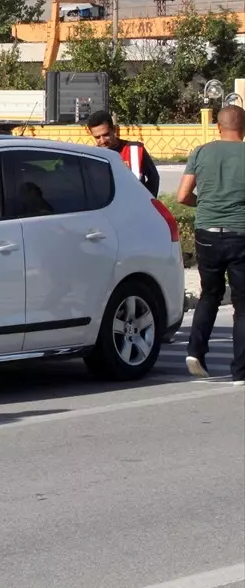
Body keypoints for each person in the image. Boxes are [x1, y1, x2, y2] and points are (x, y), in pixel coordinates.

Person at [176, 104, 245, 386]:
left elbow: (182, 196)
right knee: (243, 305)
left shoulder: (202, 152)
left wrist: (203, 205)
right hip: (240, 235)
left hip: (206, 233)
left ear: (218, 127)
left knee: (209, 295)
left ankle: (195, 351)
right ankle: (240, 372)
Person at [86, 110, 161, 196]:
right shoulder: (92, 157)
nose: (102, 141)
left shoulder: (136, 150)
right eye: (97, 137)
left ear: (114, 130)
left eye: (106, 135)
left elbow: (154, 178)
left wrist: (147, 202)